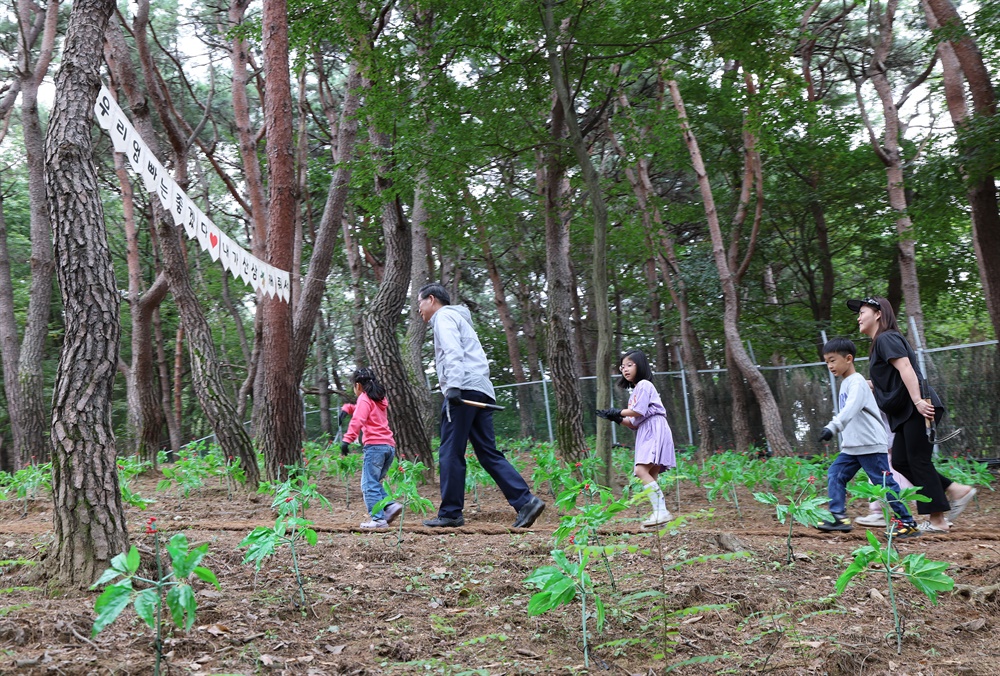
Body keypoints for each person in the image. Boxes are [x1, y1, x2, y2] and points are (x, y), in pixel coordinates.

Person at [416, 283, 545, 529]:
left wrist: (452, 387)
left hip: (463, 391)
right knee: (488, 452)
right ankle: (526, 501)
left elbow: (453, 351)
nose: (419, 309)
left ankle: (451, 513)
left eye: (420, 303)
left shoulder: (444, 317)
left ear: (431, 299)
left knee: (450, 452)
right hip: (481, 390)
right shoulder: (460, 319)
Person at [849, 296, 976, 533]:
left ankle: (937, 520)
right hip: (907, 411)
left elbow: (905, 368)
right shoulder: (881, 342)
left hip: (916, 407)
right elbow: (894, 377)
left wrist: (918, 400)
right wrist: (873, 384)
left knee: (917, 461)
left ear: (878, 314)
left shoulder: (886, 337)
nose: (858, 317)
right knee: (900, 462)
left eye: (862, 312)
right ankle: (956, 490)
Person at [815, 338, 920, 537]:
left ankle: (907, 522)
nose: (830, 366)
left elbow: (851, 407)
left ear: (848, 358)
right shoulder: (847, 383)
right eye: (827, 362)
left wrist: (833, 427)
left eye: (833, 360)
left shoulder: (857, 382)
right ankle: (838, 516)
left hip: (870, 444)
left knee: (884, 484)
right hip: (854, 446)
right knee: (835, 474)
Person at [597, 349, 676, 527]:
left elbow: (638, 411)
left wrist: (617, 411)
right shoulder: (636, 391)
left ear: (640, 366)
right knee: (651, 475)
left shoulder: (644, 385)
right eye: (622, 367)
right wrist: (615, 418)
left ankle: (662, 512)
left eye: (629, 365)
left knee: (641, 471)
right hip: (647, 430)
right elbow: (633, 422)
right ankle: (659, 516)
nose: (625, 369)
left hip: (654, 429)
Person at [340, 368, 403, 530]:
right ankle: (390, 505)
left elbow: (359, 419)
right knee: (374, 483)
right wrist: (348, 408)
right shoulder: (378, 398)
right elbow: (366, 412)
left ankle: (378, 520)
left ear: (358, 386)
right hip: (388, 447)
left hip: (375, 447)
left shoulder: (364, 398)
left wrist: (347, 440)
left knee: (368, 485)